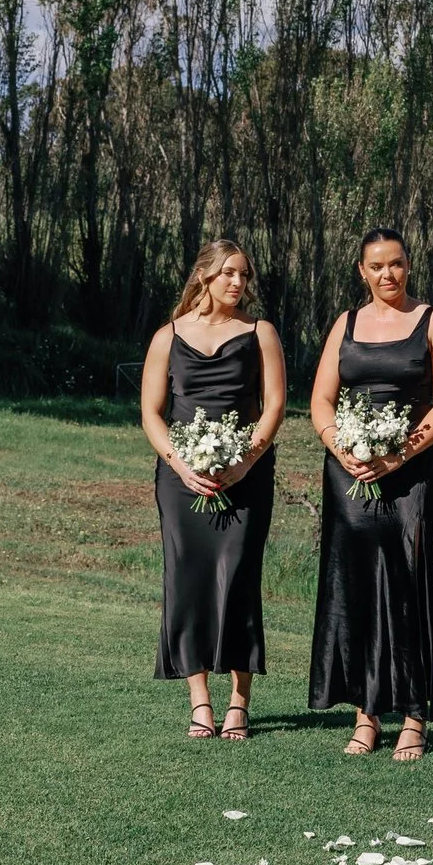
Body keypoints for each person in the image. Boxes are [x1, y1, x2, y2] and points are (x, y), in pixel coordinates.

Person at [307, 227, 433, 761]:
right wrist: (340, 446)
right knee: (359, 590)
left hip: (413, 475)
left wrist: (399, 454)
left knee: (412, 585)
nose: (387, 275)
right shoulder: (345, 324)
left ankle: (415, 715)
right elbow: (322, 400)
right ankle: (366, 713)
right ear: (362, 271)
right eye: (377, 266)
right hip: (350, 477)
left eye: (396, 264)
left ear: (408, 265)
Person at [139, 240, 286, 741]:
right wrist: (180, 466)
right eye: (228, 274)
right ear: (204, 275)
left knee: (239, 577)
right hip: (181, 480)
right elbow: (151, 414)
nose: (238, 284)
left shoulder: (260, 332)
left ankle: (239, 701)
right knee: (189, 579)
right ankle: (200, 700)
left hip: (245, 477)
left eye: (244, 275)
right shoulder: (167, 336)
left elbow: (274, 408)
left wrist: (245, 462)